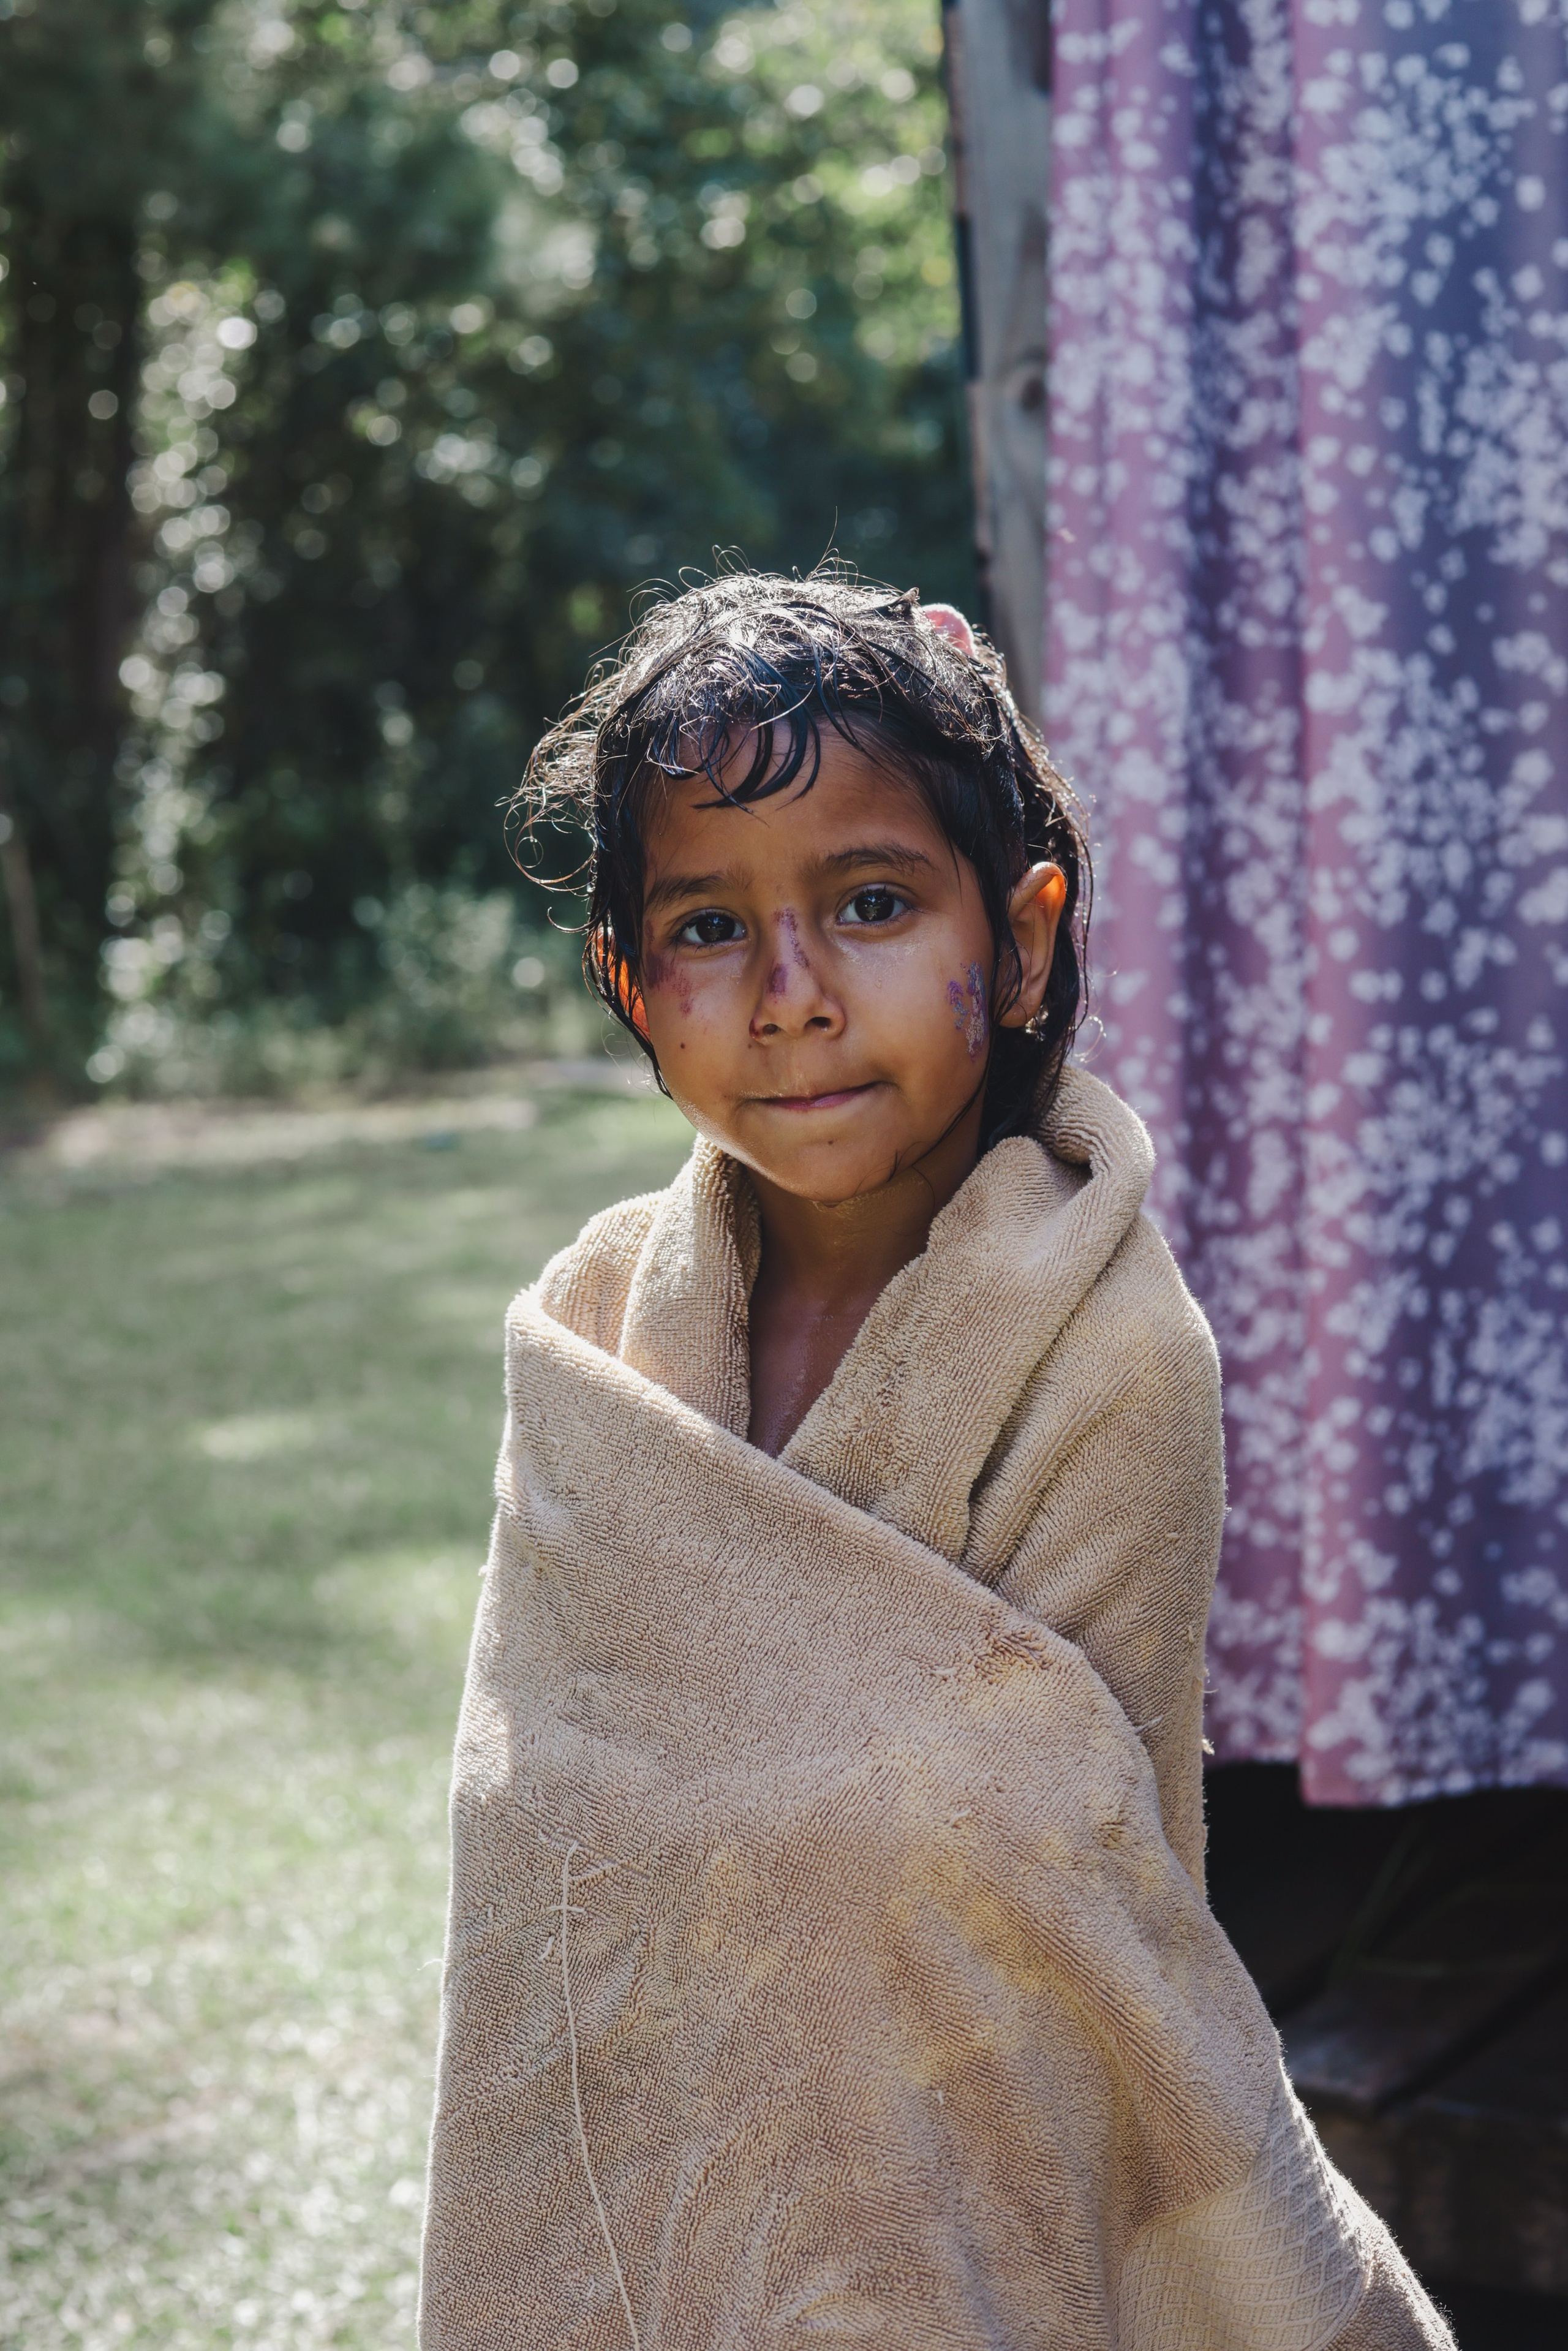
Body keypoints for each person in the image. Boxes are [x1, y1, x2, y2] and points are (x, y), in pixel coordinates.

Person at [419, 574, 1452, 2349]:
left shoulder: (1113, 1359)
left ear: (1028, 939)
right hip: (670, 2185)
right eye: (709, 929)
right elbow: (547, 1830)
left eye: (873, 902)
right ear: (627, 986)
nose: (796, 995)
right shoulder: (599, 1334)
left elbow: (1053, 1894)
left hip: (968, 2179)